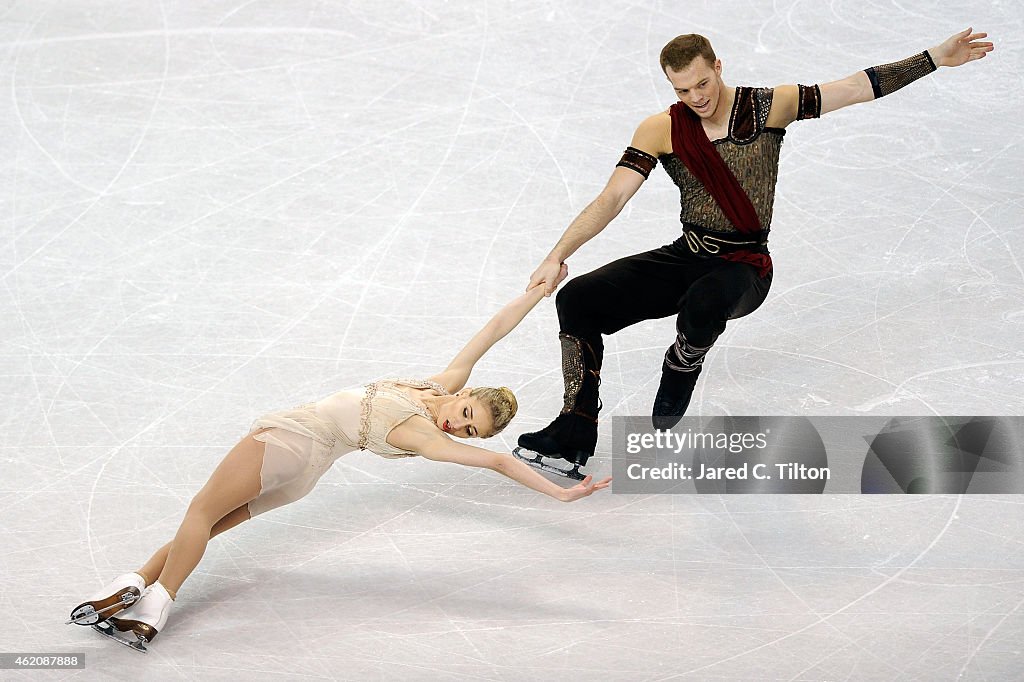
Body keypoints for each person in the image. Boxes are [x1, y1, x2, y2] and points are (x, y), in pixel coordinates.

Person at [513, 28, 994, 479]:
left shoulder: (769, 106)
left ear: (718, 66)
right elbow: (611, 198)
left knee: (704, 303)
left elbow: (854, 88)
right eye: (683, 91)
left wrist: (933, 59)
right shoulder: (660, 129)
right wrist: (557, 253)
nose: (696, 97)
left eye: (702, 83)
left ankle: (683, 362)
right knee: (577, 298)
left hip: (745, 267)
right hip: (689, 253)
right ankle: (575, 426)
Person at [68, 275, 611, 652]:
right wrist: (537, 293)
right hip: (306, 474)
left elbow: (494, 463)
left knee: (198, 510)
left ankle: (153, 607)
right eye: (466, 414)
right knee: (208, 524)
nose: (459, 428)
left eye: (469, 430)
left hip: (291, 441)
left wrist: (559, 493)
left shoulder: (422, 433)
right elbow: (491, 332)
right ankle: (132, 583)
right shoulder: (433, 388)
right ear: (464, 394)